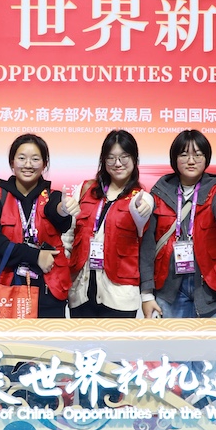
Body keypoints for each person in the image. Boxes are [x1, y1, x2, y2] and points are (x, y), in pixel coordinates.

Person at [143, 130, 216, 319]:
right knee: (173, 339)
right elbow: (148, 246)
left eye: (197, 155)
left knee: (215, 339)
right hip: (170, 289)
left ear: (206, 158)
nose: (191, 161)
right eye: (184, 155)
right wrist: (146, 294)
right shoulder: (160, 193)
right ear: (174, 158)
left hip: (212, 289)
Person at [0, 133, 73, 319]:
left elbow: (58, 217)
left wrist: (63, 210)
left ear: (44, 164)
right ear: (12, 162)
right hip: (5, 291)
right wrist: (35, 256)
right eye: (22, 158)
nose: (28, 164)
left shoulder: (53, 197)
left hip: (48, 293)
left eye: (35, 159)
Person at [64, 130, 155, 319]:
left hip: (119, 297)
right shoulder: (85, 189)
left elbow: (141, 216)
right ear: (103, 160)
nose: (117, 163)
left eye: (124, 157)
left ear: (134, 159)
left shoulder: (141, 198)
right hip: (80, 293)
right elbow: (68, 235)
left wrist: (141, 209)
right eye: (111, 158)